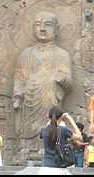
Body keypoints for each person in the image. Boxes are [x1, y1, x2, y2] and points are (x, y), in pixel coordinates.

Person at [13, 11, 73, 153]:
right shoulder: (26, 54)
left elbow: (70, 84)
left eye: (47, 25)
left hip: (50, 98)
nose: (42, 29)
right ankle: (25, 147)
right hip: (29, 99)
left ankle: (46, 147)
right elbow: (19, 79)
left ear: (56, 29)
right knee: (27, 124)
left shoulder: (62, 55)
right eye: (38, 25)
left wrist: (63, 79)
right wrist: (17, 96)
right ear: (33, 28)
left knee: (50, 120)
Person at [38, 106, 82, 175]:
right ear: (61, 117)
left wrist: (51, 118)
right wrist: (71, 121)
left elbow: (48, 127)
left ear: (49, 117)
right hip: (60, 167)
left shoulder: (43, 129)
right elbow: (79, 137)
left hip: (45, 168)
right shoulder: (63, 130)